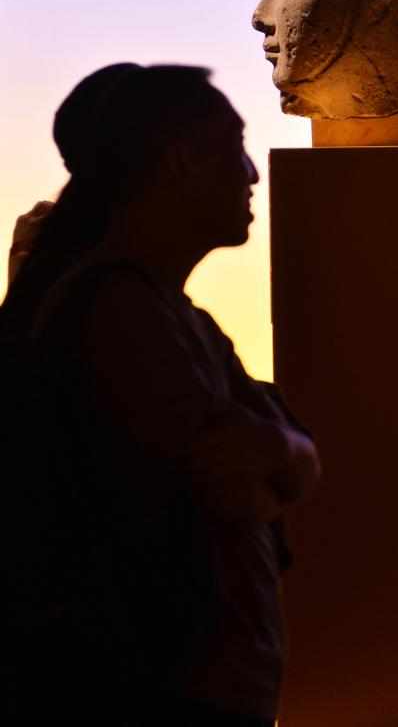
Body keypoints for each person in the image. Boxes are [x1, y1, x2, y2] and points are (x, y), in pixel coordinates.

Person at [2, 63, 320, 726]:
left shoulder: (176, 316)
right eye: (235, 145)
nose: (252, 173)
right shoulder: (121, 315)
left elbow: (294, 461)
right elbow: (249, 493)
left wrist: (276, 452)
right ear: (181, 160)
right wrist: (276, 458)